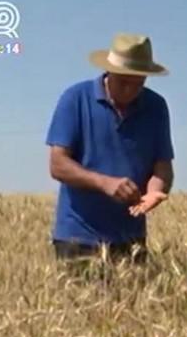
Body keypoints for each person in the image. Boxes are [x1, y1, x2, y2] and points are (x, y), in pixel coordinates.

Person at [45, 33, 174, 266]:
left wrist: (155, 191)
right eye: (124, 82)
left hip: (131, 239)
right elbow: (58, 165)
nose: (130, 91)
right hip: (77, 237)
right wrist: (105, 183)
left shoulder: (156, 107)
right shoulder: (75, 98)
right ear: (109, 71)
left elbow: (162, 166)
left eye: (139, 83)